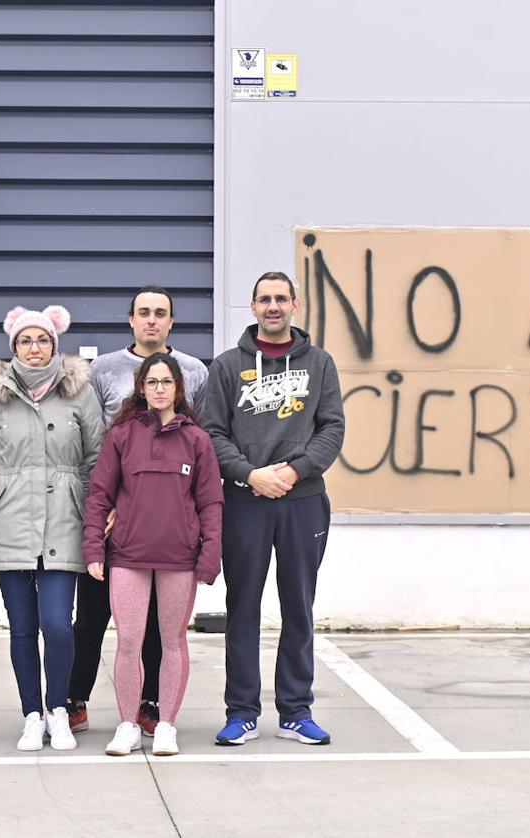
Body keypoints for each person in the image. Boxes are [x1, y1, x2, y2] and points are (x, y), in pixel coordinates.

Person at [199, 271, 345, 746]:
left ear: (295, 306)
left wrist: (295, 471)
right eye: (265, 299)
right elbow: (211, 434)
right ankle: (241, 711)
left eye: (282, 298)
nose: (274, 306)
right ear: (253, 307)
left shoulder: (320, 363)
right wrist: (250, 473)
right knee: (242, 608)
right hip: (245, 502)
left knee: (298, 607)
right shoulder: (226, 367)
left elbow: (332, 428)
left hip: (302, 502)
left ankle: (295, 711)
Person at [69, 285, 210, 736]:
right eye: (143, 312)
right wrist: (107, 505)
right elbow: (92, 438)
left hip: (167, 525)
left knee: (157, 626)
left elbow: (193, 438)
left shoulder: (194, 370)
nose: (151, 320)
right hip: (115, 513)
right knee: (92, 616)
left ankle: (150, 704)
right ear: (130, 319)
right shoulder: (103, 370)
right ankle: (77, 698)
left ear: (171, 321)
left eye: (160, 313)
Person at [0, 305, 104, 751]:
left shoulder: (79, 393)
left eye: (42, 340)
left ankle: (58, 710)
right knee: (22, 628)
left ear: (55, 344)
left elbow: (96, 458)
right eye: (25, 340)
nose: (35, 347)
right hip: (10, 521)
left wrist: (98, 514)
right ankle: (31, 714)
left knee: (59, 625)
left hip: (65, 519)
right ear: (13, 348)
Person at [82, 353, 222, 757]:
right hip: (127, 556)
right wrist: (95, 546)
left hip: (179, 558)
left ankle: (166, 726)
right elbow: (99, 497)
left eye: (167, 382)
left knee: (173, 641)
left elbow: (211, 502)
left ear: (179, 388)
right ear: (141, 389)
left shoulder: (197, 440)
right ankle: (127, 724)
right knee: (128, 641)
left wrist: (209, 556)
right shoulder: (122, 436)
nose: (159, 389)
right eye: (152, 382)